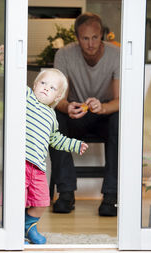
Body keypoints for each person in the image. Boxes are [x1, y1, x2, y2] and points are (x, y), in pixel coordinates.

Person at [49, 12, 120, 217]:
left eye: (95, 37)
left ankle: (110, 196)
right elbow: (57, 98)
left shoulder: (116, 55)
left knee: (120, 122)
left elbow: (121, 100)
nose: (90, 43)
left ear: (102, 36)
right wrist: (67, 107)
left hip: (105, 114)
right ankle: (66, 193)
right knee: (54, 119)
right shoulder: (64, 55)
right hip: (76, 113)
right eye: (85, 38)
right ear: (77, 38)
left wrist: (103, 108)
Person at [25, 69, 88, 244]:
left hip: (37, 167)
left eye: (52, 88)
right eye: (43, 83)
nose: (46, 88)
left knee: (42, 201)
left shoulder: (52, 116)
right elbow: (12, 82)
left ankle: (28, 225)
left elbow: (56, 139)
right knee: (18, 199)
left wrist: (75, 144)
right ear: (35, 85)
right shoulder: (28, 98)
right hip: (21, 163)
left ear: (57, 97)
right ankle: (13, 228)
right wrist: (3, 61)